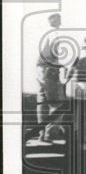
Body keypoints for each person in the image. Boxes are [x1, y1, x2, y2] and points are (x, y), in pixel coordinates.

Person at [36, 13, 65, 142]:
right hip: (49, 71)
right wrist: (62, 65)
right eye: (58, 19)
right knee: (56, 103)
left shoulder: (42, 33)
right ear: (53, 21)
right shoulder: (54, 34)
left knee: (42, 102)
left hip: (40, 71)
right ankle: (50, 133)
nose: (60, 21)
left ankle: (42, 134)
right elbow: (50, 56)